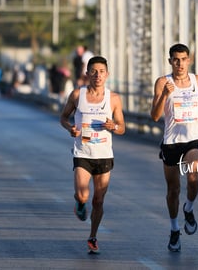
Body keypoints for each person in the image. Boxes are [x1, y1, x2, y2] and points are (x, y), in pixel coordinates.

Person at [150, 43, 198, 252]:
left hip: (193, 138)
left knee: (194, 175)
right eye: (175, 59)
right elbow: (155, 115)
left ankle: (189, 207)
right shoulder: (163, 82)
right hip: (171, 141)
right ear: (170, 61)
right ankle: (174, 228)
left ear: (189, 60)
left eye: (183, 59)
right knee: (173, 190)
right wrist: (164, 95)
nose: (180, 63)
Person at [60, 56, 125, 254]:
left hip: (104, 155)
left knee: (98, 200)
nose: (97, 75)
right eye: (94, 71)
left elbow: (122, 127)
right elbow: (63, 117)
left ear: (107, 75)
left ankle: (92, 236)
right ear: (87, 73)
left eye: (101, 72)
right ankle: (79, 203)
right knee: (83, 194)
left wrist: (114, 126)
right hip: (83, 153)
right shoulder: (77, 95)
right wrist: (70, 128)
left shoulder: (113, 98)